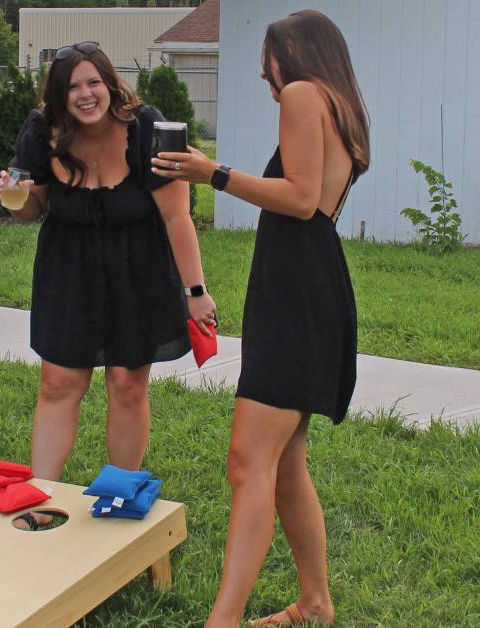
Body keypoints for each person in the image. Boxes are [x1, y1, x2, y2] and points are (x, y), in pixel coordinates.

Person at [151, 10, 370, 626]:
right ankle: (315, 601)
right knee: (284, 461)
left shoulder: (303, 94)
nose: (261, 71)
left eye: (267, 56)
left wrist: (210, 172)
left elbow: (300, 199)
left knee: (249, 461)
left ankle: (222, 621)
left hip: (298, 289)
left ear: (294, 54)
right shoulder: (338, 103)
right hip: (307, 283)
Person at [0, 41, 216, 529]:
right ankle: (42, 498)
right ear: (58, 95)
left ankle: (119, 496)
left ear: (110, 84)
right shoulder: (44, 132)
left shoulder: (147, 130)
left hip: (139, 268)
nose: (85, 94)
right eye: (73, 86)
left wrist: (195, 292)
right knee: (58, 382)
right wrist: (14, 200)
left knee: (126, 383)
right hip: (68, 269)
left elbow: (178, 216)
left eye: (93, 81)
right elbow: (32, 211)